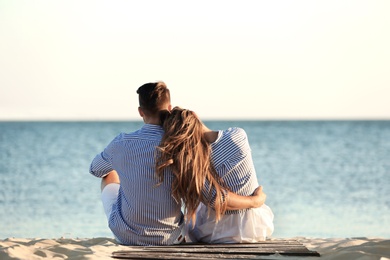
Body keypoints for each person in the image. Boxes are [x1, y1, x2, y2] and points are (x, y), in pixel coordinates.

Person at [89, 82, 267, 246]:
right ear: (168, 108)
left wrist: (132, 167)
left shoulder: (121, 143)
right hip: (170, 238)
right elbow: (213, 197)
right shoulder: (180, 149)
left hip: (125, 236)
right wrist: (254, 201)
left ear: (140, 111)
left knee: (109, 175)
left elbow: (96, 169)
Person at [157, 107, 274, 243]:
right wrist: (255, 202)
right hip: (254, 228)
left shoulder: (190, 163)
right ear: (195, 115)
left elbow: (216, 201)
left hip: (216, 233)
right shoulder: (237, 135)